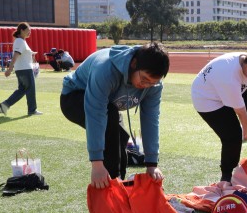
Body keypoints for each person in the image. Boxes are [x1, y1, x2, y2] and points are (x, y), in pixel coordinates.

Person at [60, 42, 169, 189]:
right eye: (144, 79)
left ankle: (119, 183)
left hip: (108, 106)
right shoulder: (105, 70)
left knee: (121, 136)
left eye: (152, 82)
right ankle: (111, 186)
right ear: (134, 64)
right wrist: (97, 164)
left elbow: (151, 119)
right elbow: (96, 114)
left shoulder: (154, 86)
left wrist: (152, 164)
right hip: (73, 97)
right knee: (110, 122)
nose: (146, 85)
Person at [191, 50, 247, 186]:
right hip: (207, 99)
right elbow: (242, 113)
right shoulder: (230, 77)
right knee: (233, 135)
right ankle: (227, 175)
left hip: (225, 90)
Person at [0, 23, 42, 116]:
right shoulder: (19, 41)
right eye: (28, 30)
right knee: (30, 89)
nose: (29, 33)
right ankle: (32, 110)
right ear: (22, 30)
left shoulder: (21, 41)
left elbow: (21, 54)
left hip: (22, 68)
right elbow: (15, 55)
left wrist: (31, 53)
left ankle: (5, 104)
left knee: (22, 90)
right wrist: (9, 69)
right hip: (25, 69)